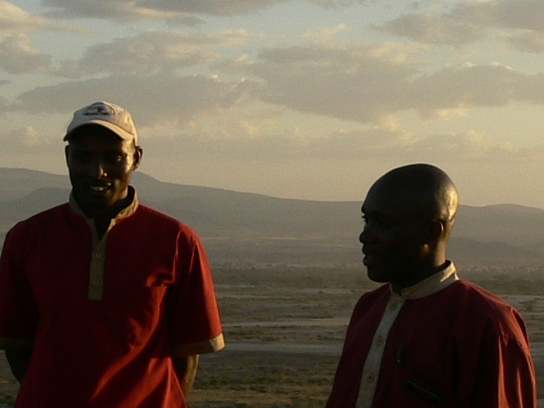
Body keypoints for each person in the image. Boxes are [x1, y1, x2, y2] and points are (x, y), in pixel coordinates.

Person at [0, 101, 225, 407]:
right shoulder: (27, 239)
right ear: (67, 158)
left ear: (136, 158)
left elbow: (187, 355)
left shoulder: (177, 242)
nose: (98, 171)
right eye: (84, 157)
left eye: (113, 157)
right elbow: (17, 344)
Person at [326, 164, 537, 408]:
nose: (365, 236)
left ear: (431, 232)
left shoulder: (488, 324)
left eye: (382, 224)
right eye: (366, 220)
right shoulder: (368, 308)